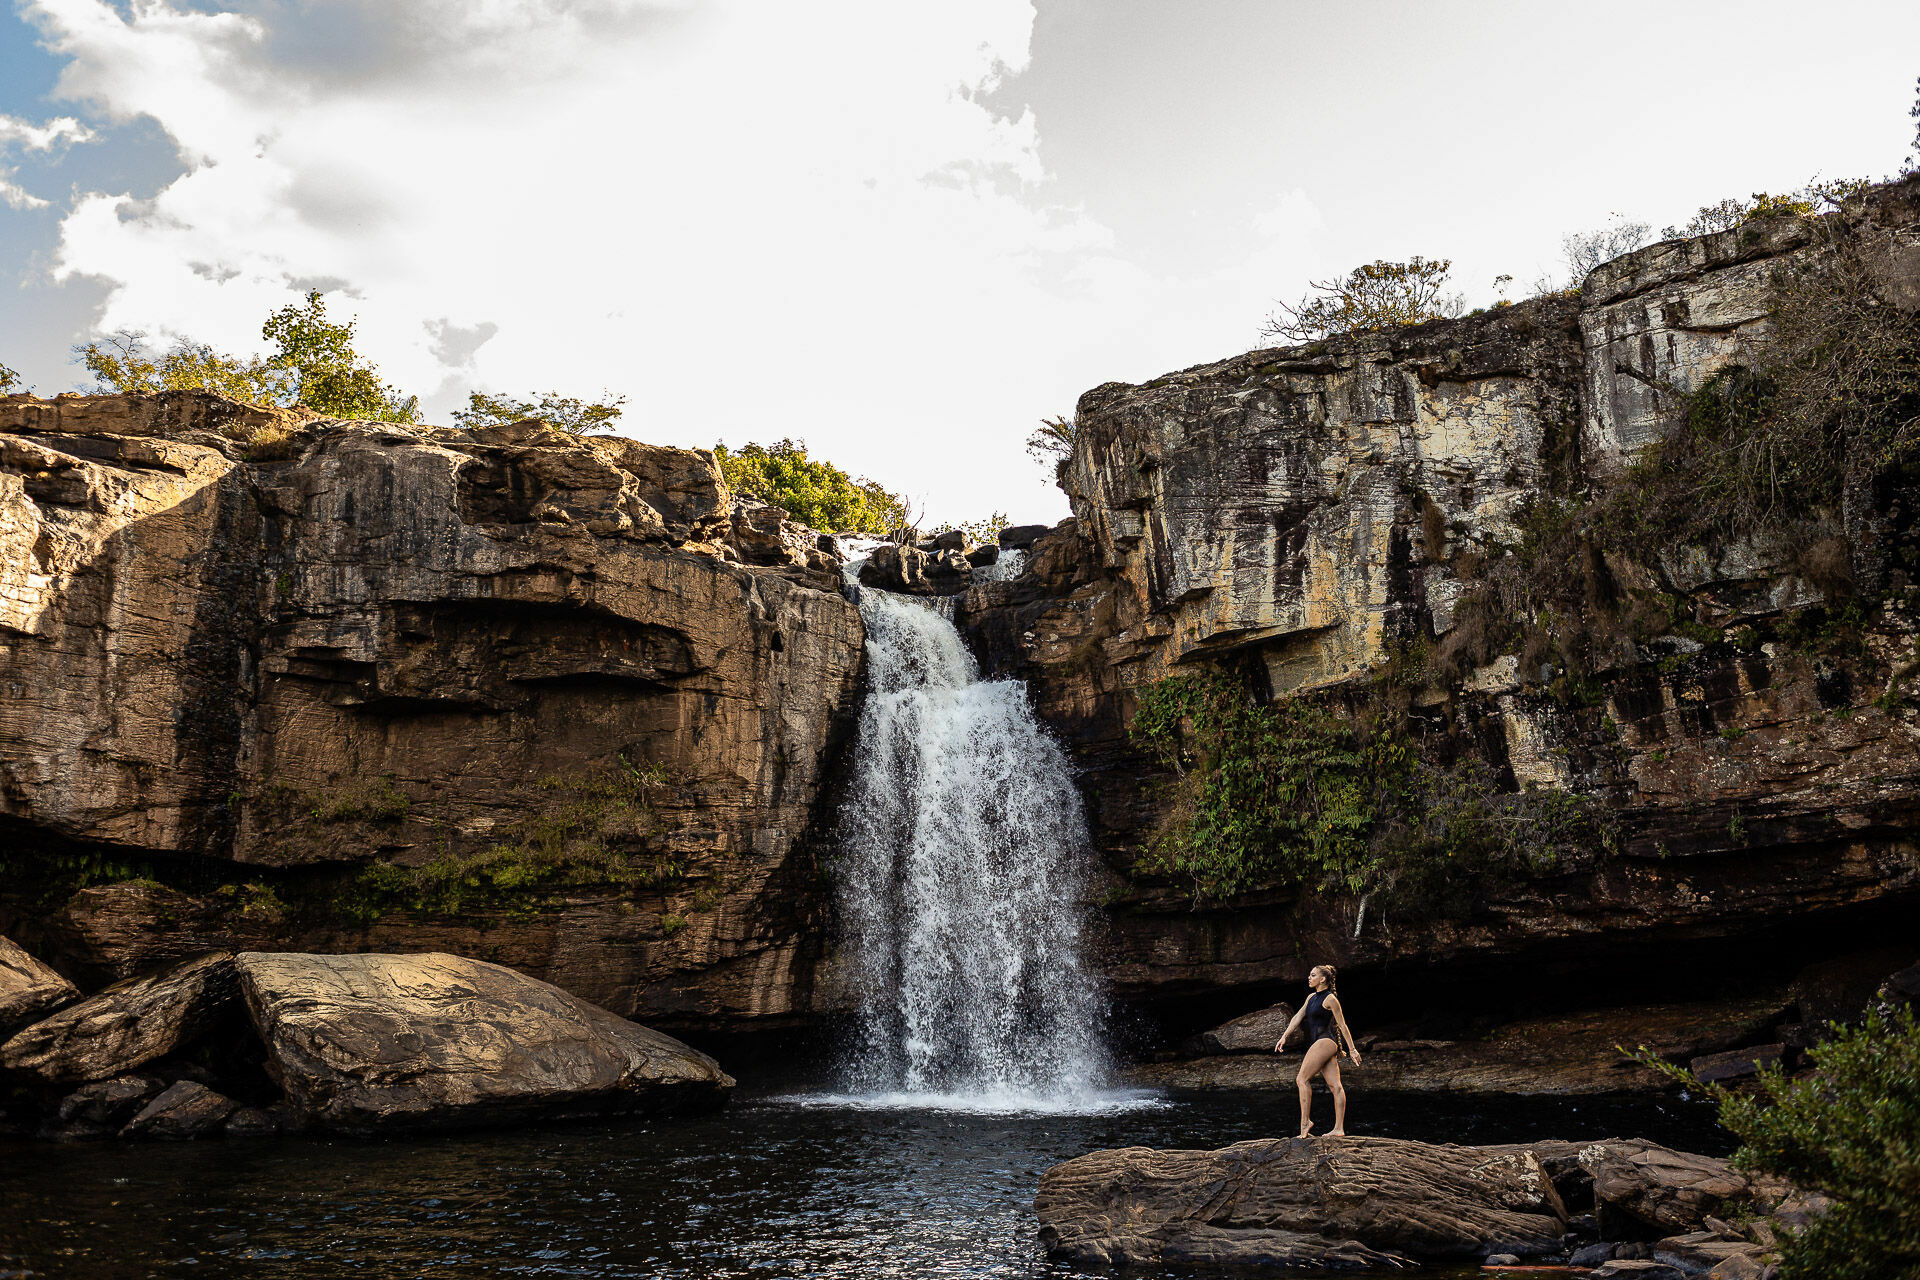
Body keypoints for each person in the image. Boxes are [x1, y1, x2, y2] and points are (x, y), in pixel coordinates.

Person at [1272, 964, 1361, 1137]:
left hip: (1325, 1041)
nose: (1309, 978)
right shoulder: (1311, 997)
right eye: (1309, 975)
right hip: (1323, 1044)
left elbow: (1342, 1025)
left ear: (1323, 979)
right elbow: (1297, 1017)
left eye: (1312, 975)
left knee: (1301, 1080)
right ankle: (1339, 1129)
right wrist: (1284, 1036)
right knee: (1335, 1086)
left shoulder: (1330, 999)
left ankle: (1305, 1123)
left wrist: (1352, 1050)